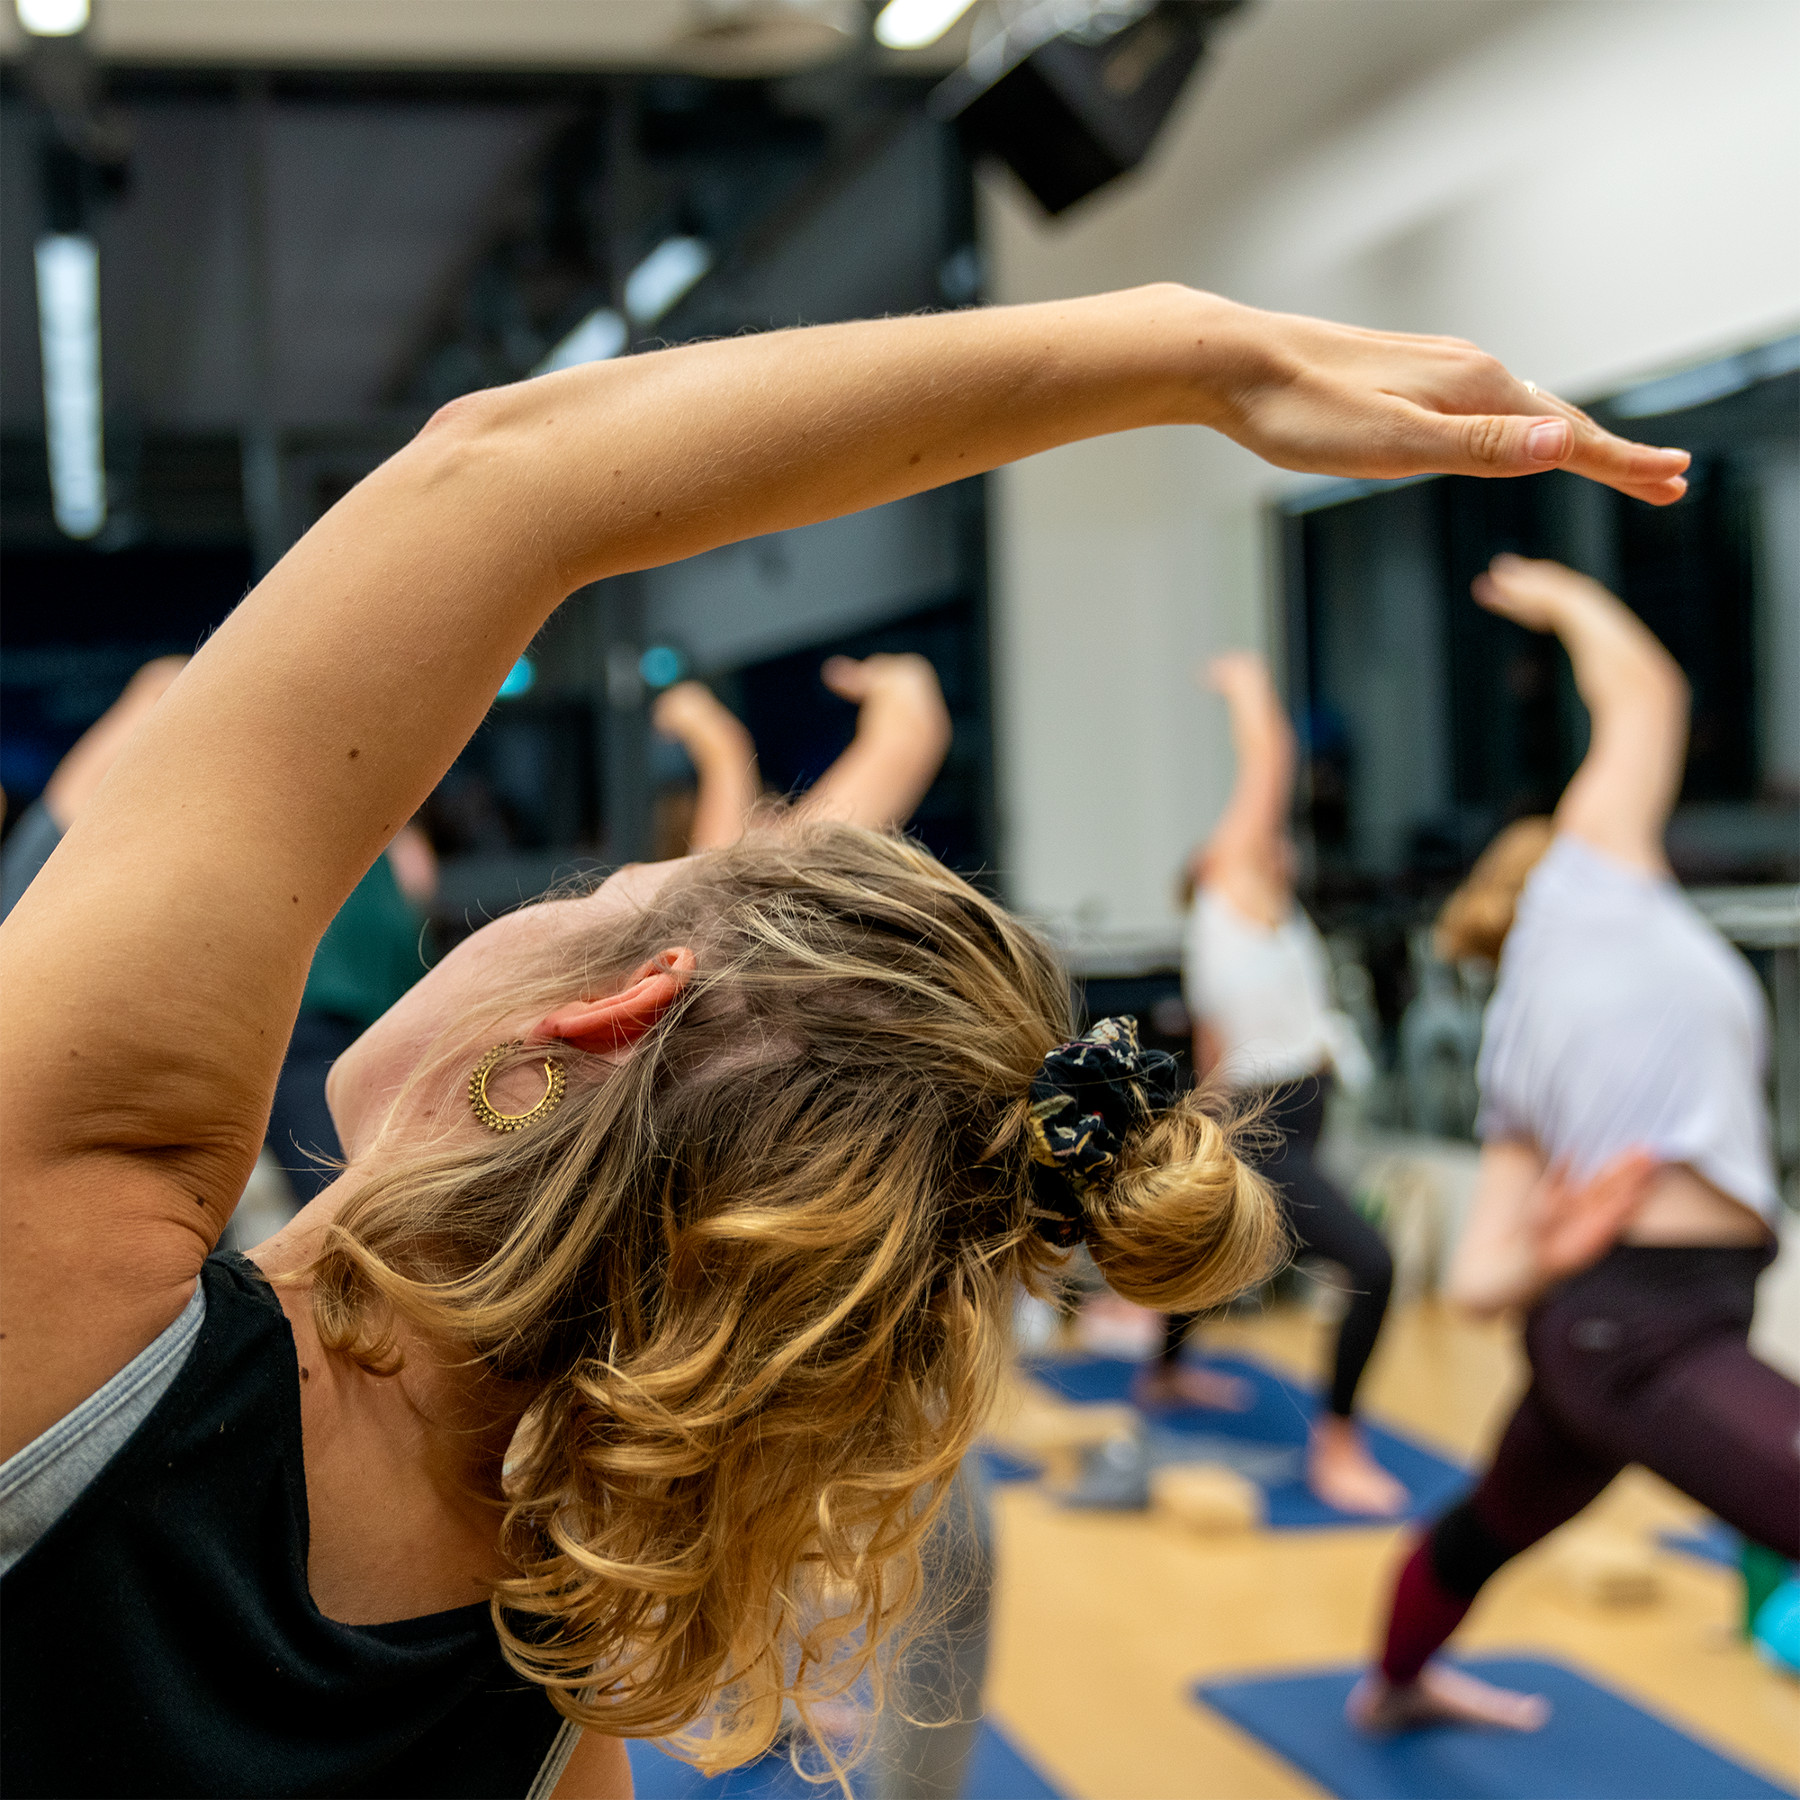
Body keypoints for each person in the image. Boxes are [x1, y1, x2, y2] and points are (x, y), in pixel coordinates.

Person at [0, 291, 1688, 1798]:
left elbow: (500, 480)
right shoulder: (559, 1688)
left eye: (615, 883)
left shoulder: (70, 1288)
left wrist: (1198, 352)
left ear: (599, 1018)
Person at [1351, 555, 1797, 1734]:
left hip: (1615, 1323)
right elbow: (1645, 693)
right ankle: (1392, 1686)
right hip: (1638, 1331)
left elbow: (1482, 1282)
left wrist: (1562, 1239)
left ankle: (1391, 1688)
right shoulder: (1591, 901)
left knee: (1492, 1520)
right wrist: (1565, 599)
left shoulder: (1518, 1035)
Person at [0, 654, 437, 1208]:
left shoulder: (213, 778)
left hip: (292, 1009)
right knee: (350, 1195)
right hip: (335, 1006)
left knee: (345, 1200)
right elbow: (417, 875)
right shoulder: (317, 777)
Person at [1144, 650, 1405, 1516]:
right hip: (1277, 1122)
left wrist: (1194, 1140)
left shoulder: (1253, 927)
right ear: (1222, 867)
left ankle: (1166, 1376)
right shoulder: (1233, 899)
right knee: (1370, 1263)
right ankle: (1338, 1445)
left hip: (1273, 1111)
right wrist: (1251, 688)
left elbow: (1216, 1053)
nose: (1274, 845)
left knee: (1220, 1250)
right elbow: (1271, 763)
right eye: (1256, 846)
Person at [652, 652, 954, 854]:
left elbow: (727, 752)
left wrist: (693, 717)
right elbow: (910, 739)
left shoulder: (722, 885)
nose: (783, 816)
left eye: (757, 809)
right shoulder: (742, 886)